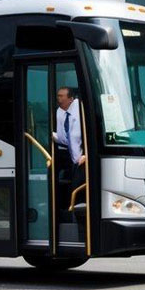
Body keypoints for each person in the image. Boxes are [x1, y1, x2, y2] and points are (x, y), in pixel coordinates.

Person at [53, 86, 85, 218]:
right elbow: (63, 138)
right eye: (58, 96)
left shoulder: (81, 108)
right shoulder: (59, 112)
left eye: (62, 96)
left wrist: (86, 155)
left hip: (83, 157)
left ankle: (75, 216)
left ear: (71, 99)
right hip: (69, 155)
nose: (58, 99)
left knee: (77, 188)